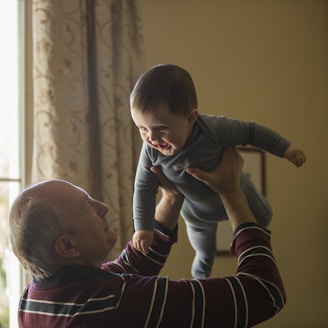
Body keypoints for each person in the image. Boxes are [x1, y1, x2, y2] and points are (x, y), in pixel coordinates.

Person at [9, 147, 286, 327]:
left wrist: (171, 197)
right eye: (87, 208)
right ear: (67, 246)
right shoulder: (121, 304)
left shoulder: (34, 299)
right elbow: (263, 292)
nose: (102, 208)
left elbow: (130, 265)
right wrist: (231, 192)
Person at [130, 63, 306, 278]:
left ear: (191, 118)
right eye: (142, 128)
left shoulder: (213, 130)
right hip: (196, 213)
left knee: (264, 218)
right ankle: (201, 277)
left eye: (160, 128)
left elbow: (251, 132)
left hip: (237, 190)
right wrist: (143, 227)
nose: (151, 138)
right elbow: (143, 188)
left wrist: (286, 149)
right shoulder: (150, 150)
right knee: (204, 251)